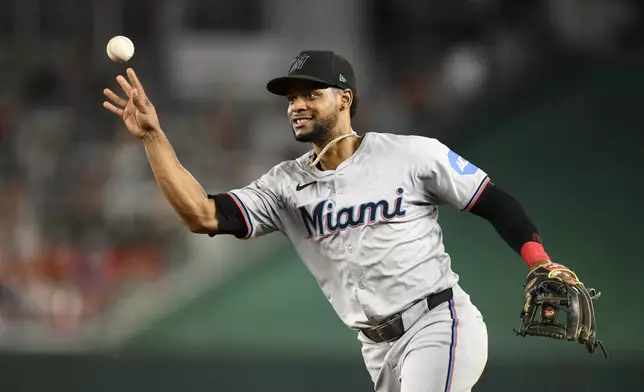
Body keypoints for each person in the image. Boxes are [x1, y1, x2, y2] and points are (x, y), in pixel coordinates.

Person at [102, 51, 599, 392]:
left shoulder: (409, 154)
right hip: (376, 347)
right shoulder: (283, 185)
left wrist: (540, 262)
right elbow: (202, 213)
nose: (296, 104)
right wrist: (154, 139)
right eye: (290, 97)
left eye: (309, 93)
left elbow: (495, 201)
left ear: (344, 98)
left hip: (438, 324)